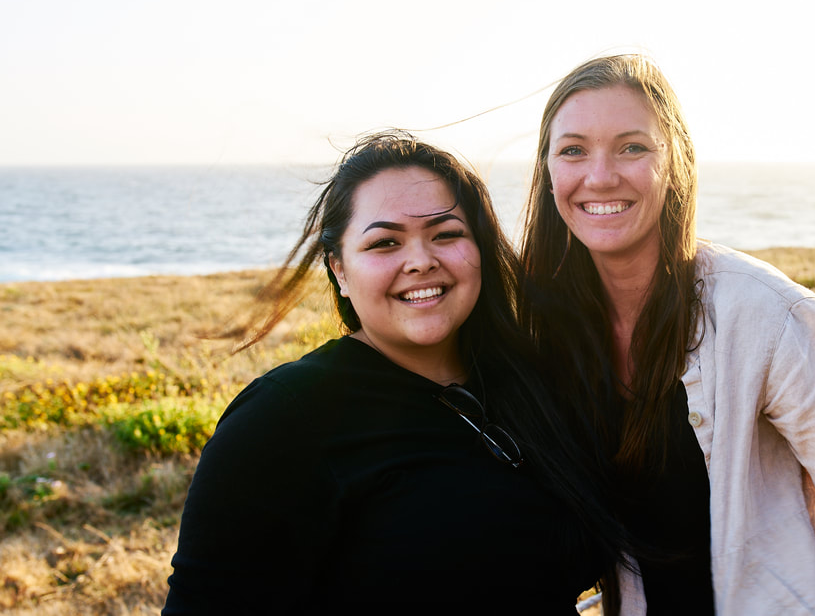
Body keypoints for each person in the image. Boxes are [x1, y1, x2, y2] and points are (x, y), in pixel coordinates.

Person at [519, 54, 815, 615]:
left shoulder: (768, 317)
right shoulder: (544, 327)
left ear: (675, 164)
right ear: (548, 170)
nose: (599, 175)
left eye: (632, 147)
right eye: (573, 150)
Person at [163, 130, 631, 615]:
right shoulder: (285, 417)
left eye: (446, 235)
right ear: (339, 270)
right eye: (385, 242)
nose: (421, 261)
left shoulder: (528, 383)